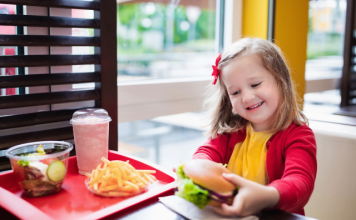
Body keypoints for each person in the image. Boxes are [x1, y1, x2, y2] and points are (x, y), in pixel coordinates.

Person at [192, 37, 317, 216]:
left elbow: (300, 183)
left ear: (280, 80)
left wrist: (266, 195)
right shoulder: (230, 130)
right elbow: (207, 152)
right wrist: (198, 168)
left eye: (255, 84)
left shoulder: (298, 136)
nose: (247, 98)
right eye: (235, 92)